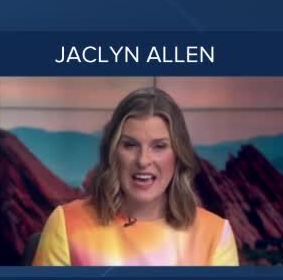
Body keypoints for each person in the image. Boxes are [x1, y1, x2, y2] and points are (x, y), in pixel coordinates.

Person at [32, 87, 239, 266]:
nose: (143, 160)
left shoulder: (215, 233)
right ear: (113, 151)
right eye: (130, 145)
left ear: (178, 154)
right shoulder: (68, 224)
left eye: (159, 146)